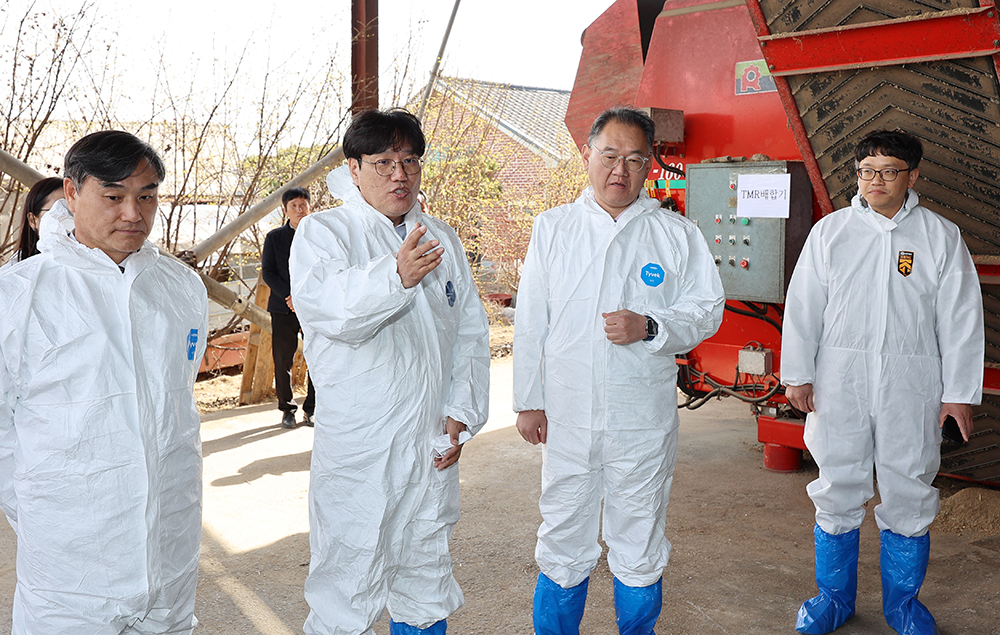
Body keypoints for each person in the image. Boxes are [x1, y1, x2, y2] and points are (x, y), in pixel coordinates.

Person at [512, 107, 725, 635]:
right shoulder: (554, 228)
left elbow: (707, 310)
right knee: (564, 531)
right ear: (588, 154)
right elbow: (531, 321)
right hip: (567, 414)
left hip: (640, 420)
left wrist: (651, 326)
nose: (619, 171)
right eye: (609, 156)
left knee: (639, 532)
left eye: (634, 160)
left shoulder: (675, 233)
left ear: (650, 165)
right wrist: (528, 400)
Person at [289, 108, 490, 635]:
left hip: (429, 446)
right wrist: (393, 277)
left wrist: (461, 413)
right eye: (382, 162)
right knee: (346, 588)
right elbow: (332, 313)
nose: (399, 174)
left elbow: (468, 332)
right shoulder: (324, 233)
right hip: (363, 451)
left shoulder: (440, 236)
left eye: (409, 161)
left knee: (424, 581)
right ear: (353, 170)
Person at [0, 130, 208, 634]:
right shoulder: (21, 294)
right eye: (113, 197)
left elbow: (176, 404)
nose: (133, 214)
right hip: (70, 563)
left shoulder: (180, 287)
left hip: (168, 547)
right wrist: (43, 514)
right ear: (72, 194)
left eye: (147, 196)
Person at [781, 129, 984, 635]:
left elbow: (960, 318)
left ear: (912, 176)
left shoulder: (940, 236)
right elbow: (804, 308)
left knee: (908, 483)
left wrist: (959, 394)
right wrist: (798, 374)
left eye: (888, 171)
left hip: (910, 382)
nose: (875, 181)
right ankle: (832, 599)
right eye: (867, 171)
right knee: (837, 482)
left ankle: (903, 606)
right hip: (839, 379)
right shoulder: (832, 232)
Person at [261, 186, 316, 428]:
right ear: (285, 210)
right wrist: (289, 295)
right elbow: (268, 273)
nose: (299, 209)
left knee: (316, 357)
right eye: (293, 205)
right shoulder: (274, 238)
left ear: (310, 207)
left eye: (303, 204)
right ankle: (287, 409)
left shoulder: (319, 235)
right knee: (283, 359)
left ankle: (312, 409)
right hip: (283, 308)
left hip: (314, 306)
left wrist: (305, 297)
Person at [0, 176, 64, 270]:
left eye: (73, 212)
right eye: (58, 210)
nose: (68, 217)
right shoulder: (16, 272)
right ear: (32, 220)